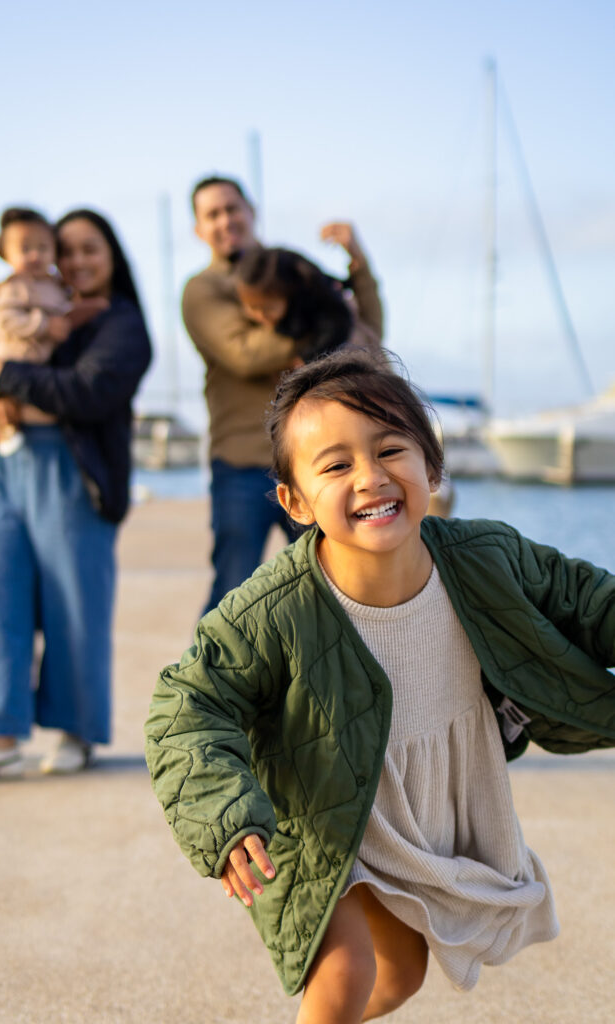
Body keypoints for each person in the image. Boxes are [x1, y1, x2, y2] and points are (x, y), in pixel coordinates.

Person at [145, 348, 615, 1023]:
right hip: (322, 814)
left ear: (433, 465)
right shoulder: (272, 611)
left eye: (391, 450)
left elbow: (588, 601)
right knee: (346, 970)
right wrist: (222, 817)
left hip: (416, 813)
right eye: (336, 465)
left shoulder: (486, 557)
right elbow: (185, 707)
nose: (370, 477)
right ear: (295, 502)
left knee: (401, 974)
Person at [0, 209, 152, 785]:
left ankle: (76, 733)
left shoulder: (121, 324)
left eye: (90, 250)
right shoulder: (34, 300)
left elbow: (86, 393)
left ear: (112, 257)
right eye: (67, 250)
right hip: (0, 467)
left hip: (71, 468)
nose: (76, 261)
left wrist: (0, 374)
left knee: (75, 604)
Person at [182, 175, 384, 612]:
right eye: (211, 214)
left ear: (251, 212)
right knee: (233, 597)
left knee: (337, 589)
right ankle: (210, 681)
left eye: (232, 208)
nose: (225, 220)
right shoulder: (203, 289)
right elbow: (243, 354)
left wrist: (358, 265)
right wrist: (329, 331)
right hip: (243, 464)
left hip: (315, 463)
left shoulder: (289, 270)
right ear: (198, 229)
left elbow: (368, 332)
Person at [0, 206, 102, 497]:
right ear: (6, 255)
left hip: (32, 368)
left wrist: (88, 310)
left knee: (1, 418)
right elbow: (7, 319)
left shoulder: (54, 287)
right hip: (11, 360)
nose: (35, 255)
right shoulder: (14, 287)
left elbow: (65, 316)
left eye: (43, 247)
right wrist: (42, 325)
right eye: (25, 248)